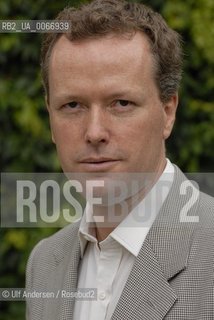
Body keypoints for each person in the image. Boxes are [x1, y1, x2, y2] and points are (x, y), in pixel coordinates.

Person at [26, 0, 214, 319]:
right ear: (50, 117)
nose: (94, 132)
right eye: (72, 105)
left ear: (168, 112)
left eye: (121, 103)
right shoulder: (44, 263)